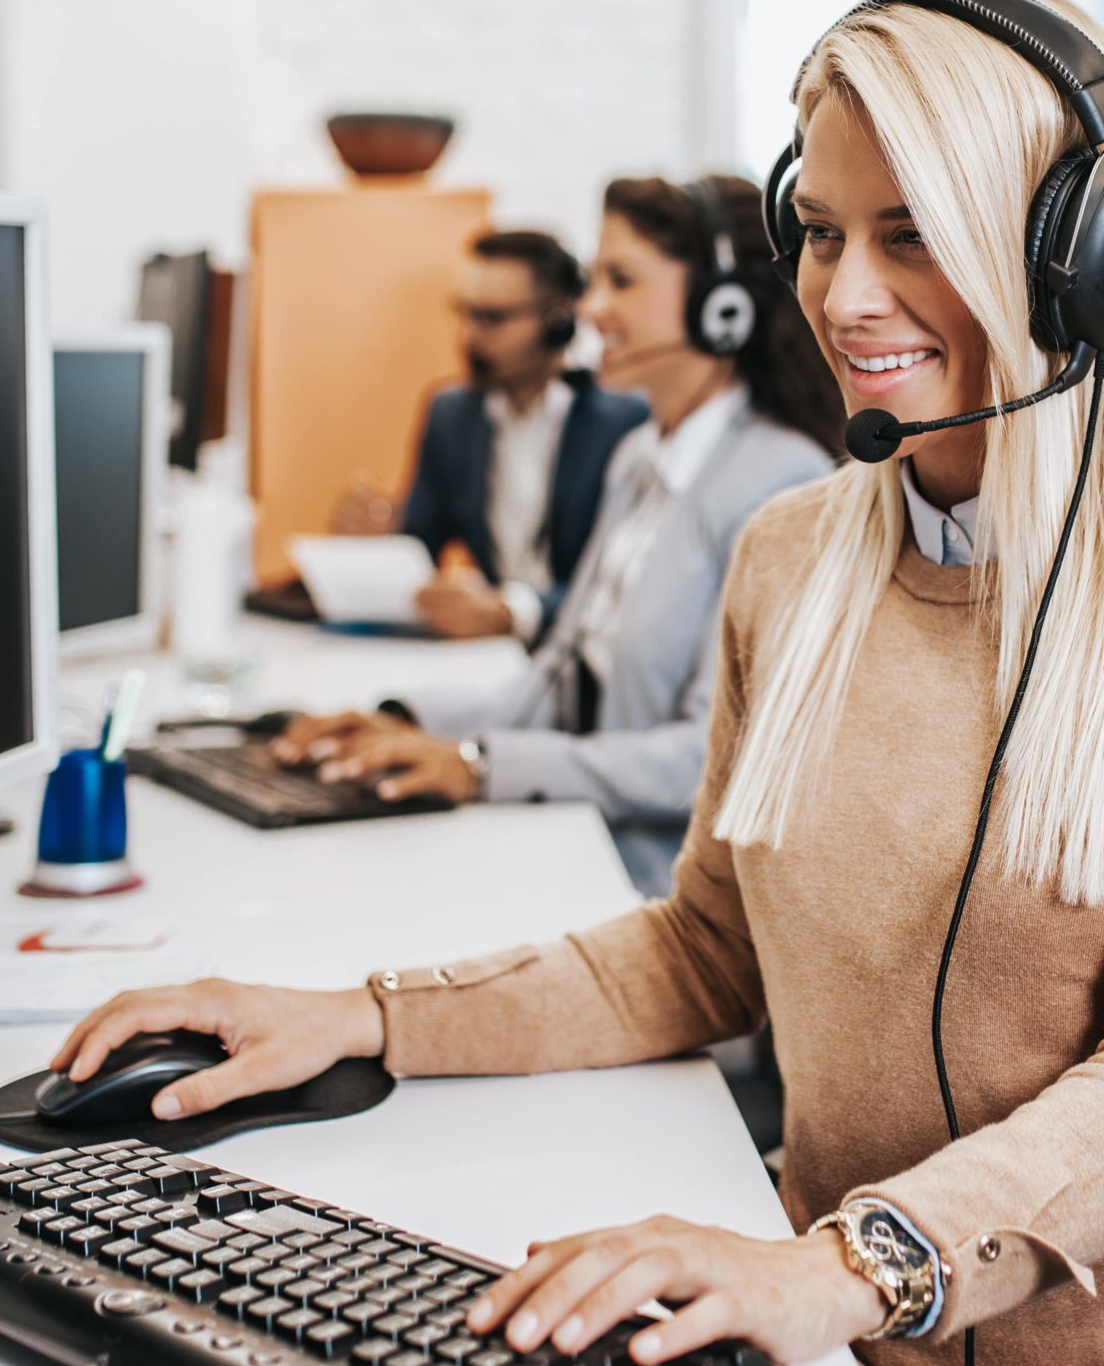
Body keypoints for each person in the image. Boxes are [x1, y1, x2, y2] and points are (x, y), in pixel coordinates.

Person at [57, 0, 1104, 1366]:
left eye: (915, 232)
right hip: (846, 1365)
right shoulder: (794, 555)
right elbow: (703, 951)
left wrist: (842, 1267)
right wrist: (364, 1015)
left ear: (1085, 263)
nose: (848, 297)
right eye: (825, 232)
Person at [277, 176, 841, 897]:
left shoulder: (778, 483)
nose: (591, 307)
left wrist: (479, 765)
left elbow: (707, 761)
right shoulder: (640, 459)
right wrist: (399, 720)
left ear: (721, 308)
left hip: (659, 889)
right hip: (578, 841)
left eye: (622, 280)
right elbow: (556, 683)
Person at [335, 228, 649, 644]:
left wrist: (511, 611)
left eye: (492, 318)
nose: (468, 336)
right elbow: (419, 544)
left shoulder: (625, 422)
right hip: (487, 655)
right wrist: (380, 541)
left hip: (582, 656)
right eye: (464, 313)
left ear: (558, 321)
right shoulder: (450, 413)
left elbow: (624, 587)